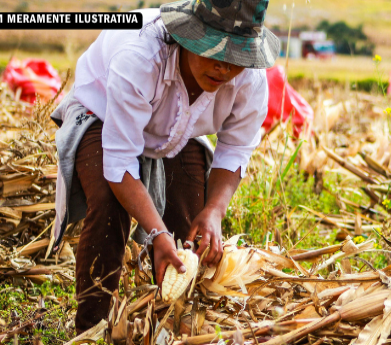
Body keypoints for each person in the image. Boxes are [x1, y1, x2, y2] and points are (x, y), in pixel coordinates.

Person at [48, 0, 279, 334]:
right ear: (189, 36)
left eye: (235, 59)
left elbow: (235, 148)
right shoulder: (141, 57)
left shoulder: (251, 81)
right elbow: (119, 163)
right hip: (102, 113)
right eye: (213, 52)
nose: (223, 69)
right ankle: (89, 331)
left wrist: (214, 211)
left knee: (189, 224)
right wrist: (156, 233)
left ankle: (168, 327)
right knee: (109, 203)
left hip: (176, 130)